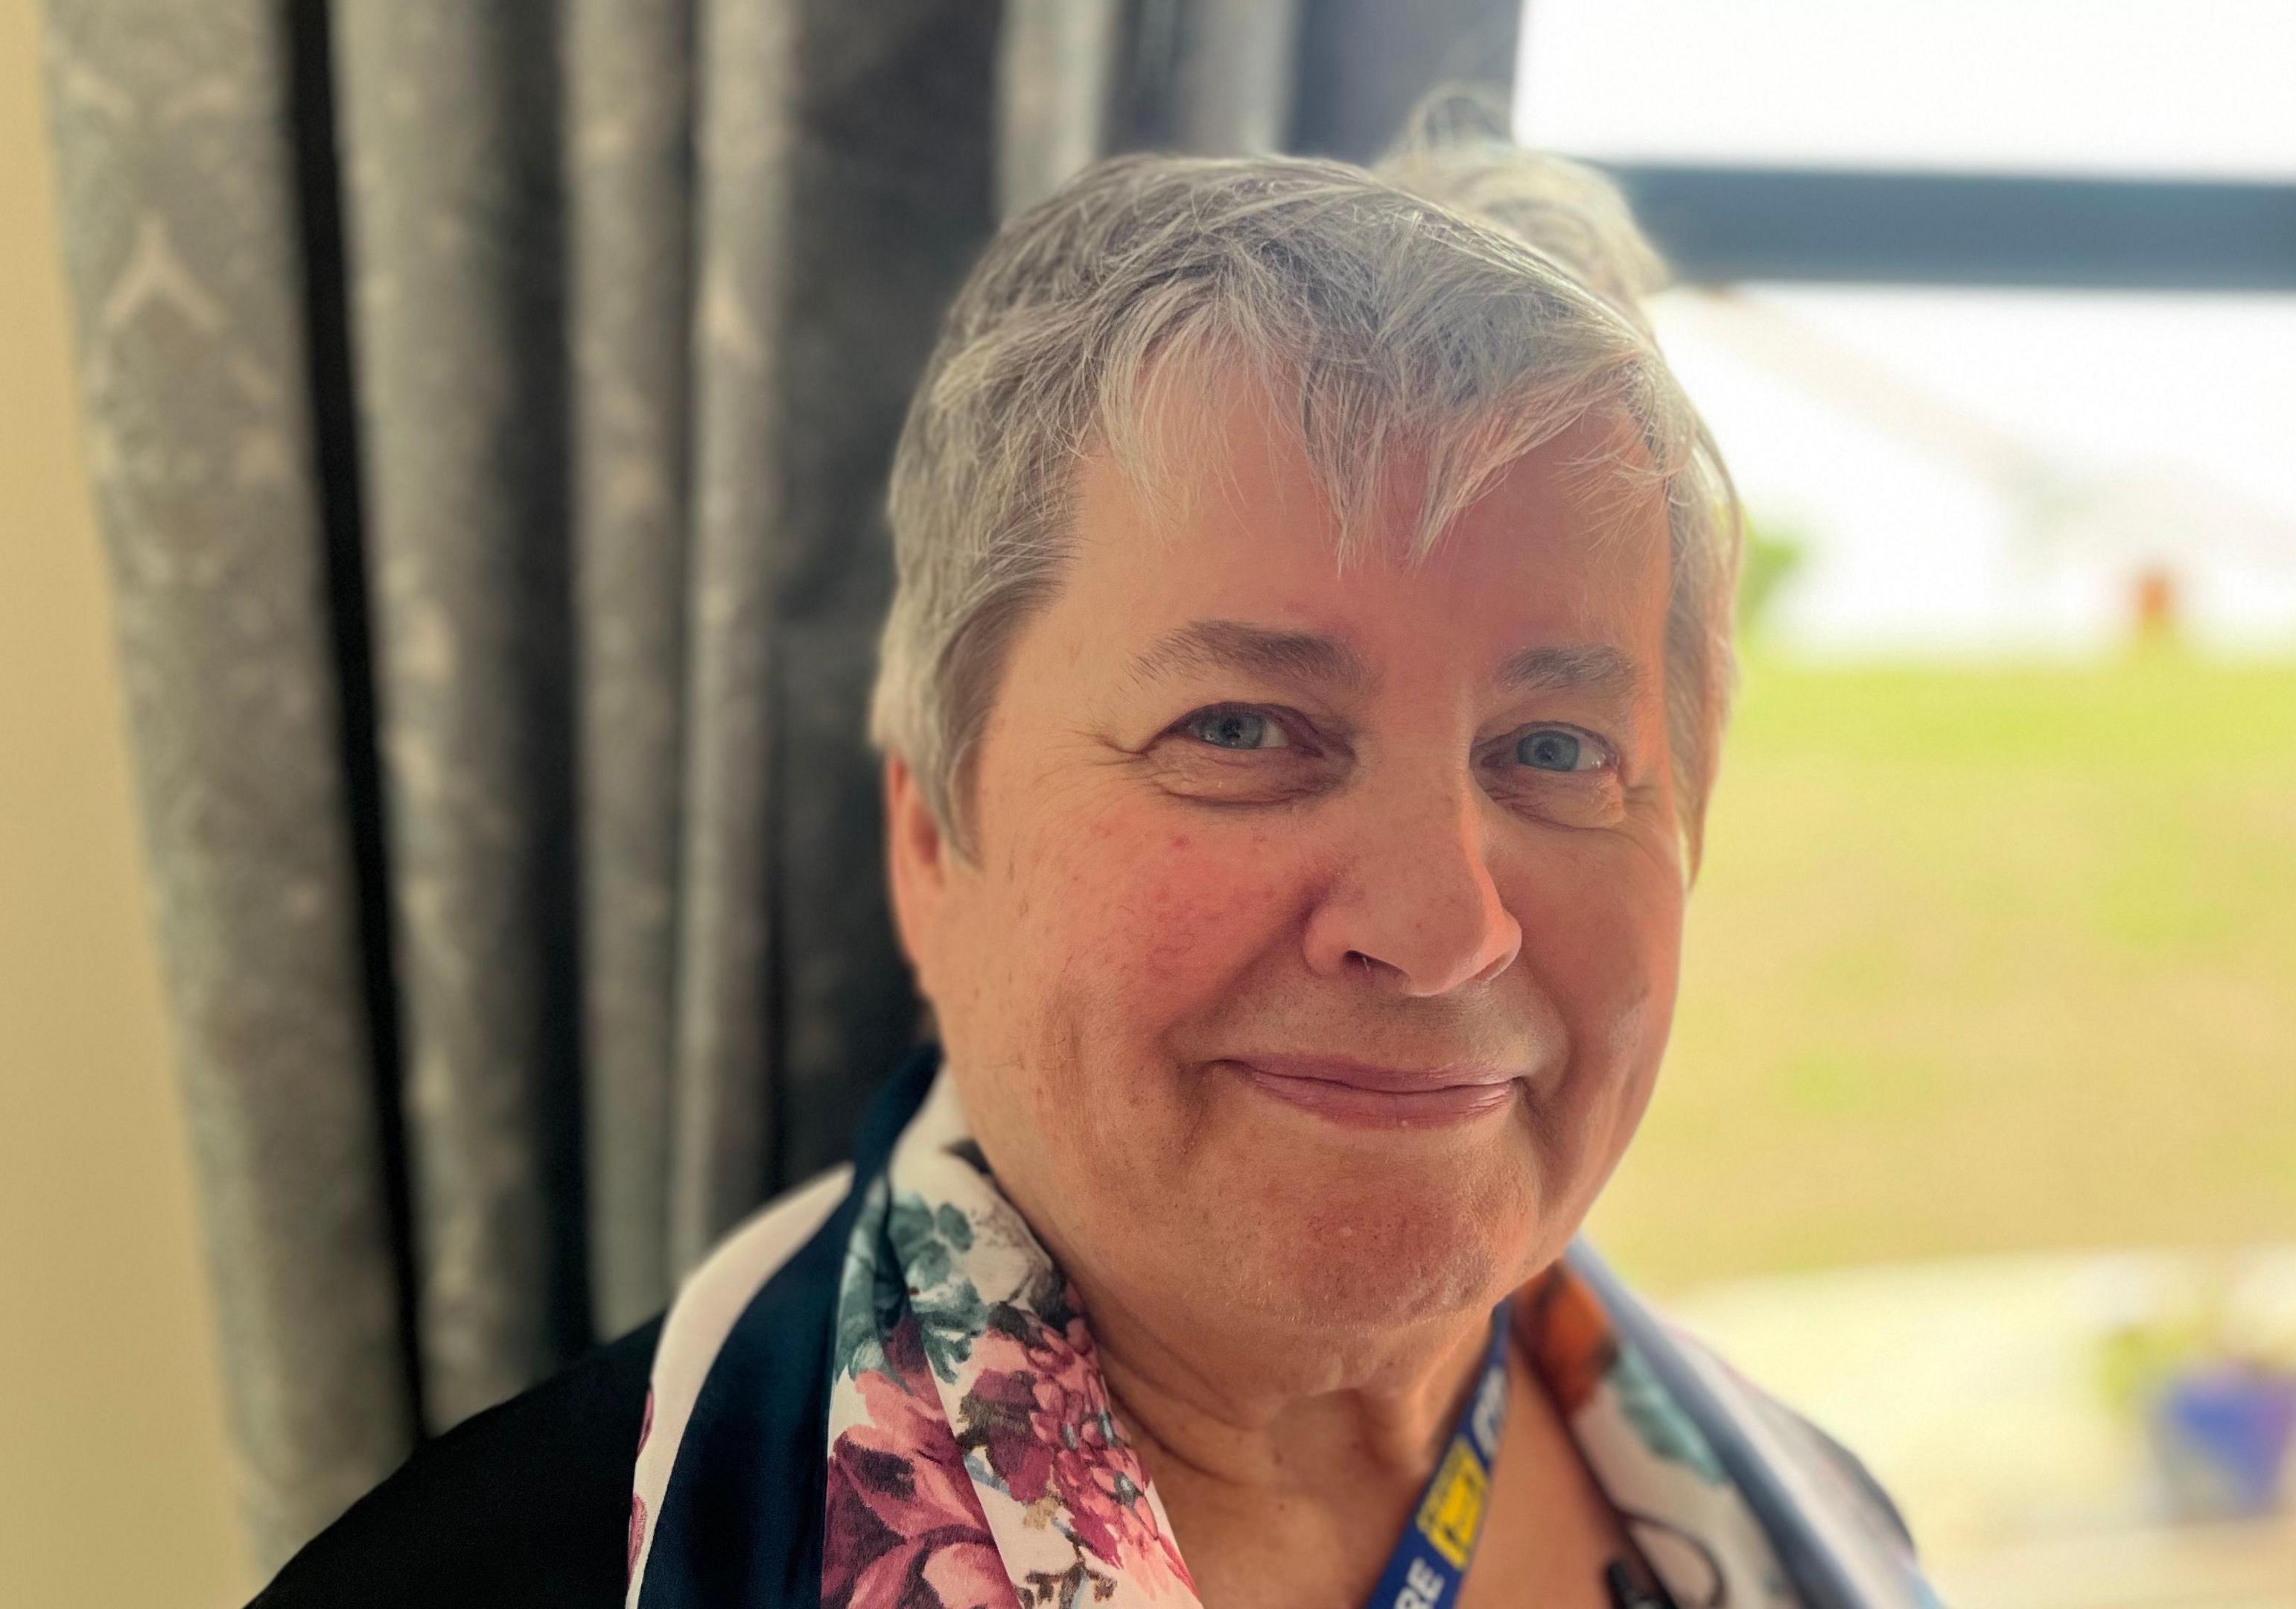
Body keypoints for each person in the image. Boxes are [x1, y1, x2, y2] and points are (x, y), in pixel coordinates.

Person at [255, 132, 1944, 1609]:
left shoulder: (1816, 1522)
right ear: (934, 837)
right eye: (1247, 728)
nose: (1441, 927)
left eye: (1559, 751)